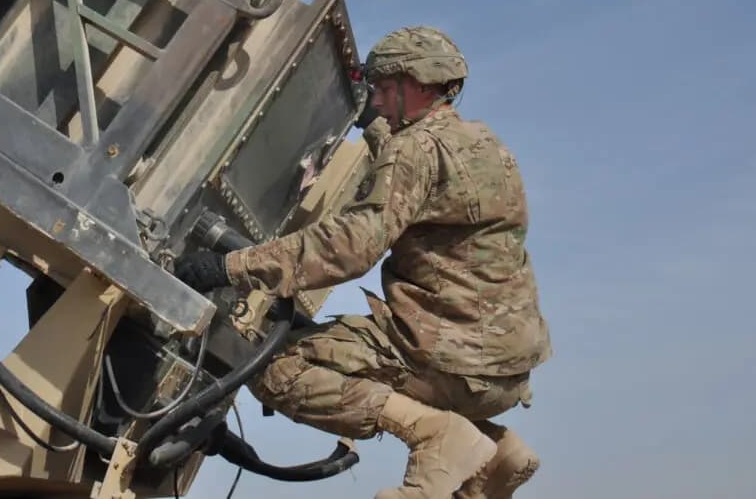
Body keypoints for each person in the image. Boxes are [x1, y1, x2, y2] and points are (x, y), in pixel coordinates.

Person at [174, 26, 550, 499]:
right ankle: (498, 452)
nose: (377, 97)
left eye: (383, 88)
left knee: (276, 369)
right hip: (503, 370)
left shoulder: (414, 152)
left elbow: (350, 246)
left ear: (412, 84)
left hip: (446, 360)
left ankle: (435, 437)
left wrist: (231, 267)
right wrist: (375, 126)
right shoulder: (485, 146)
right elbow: (419, 179)